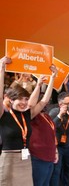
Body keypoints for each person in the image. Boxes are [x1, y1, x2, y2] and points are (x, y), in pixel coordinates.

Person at [0, 56, 57, 185]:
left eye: (26, 99)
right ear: (11, 100)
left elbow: (44, 101)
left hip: (25, 160)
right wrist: (1, 69)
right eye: (21, 99)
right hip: (8, 159)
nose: (24, 103)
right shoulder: (3, 114)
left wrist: (52, 78)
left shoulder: (26, 115)